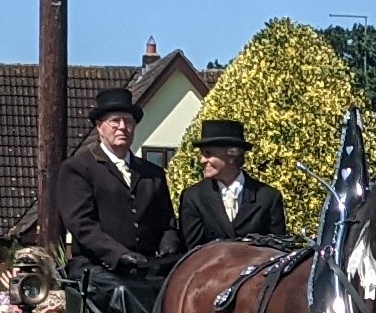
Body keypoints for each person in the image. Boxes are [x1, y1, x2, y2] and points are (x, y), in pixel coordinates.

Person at [56, 87, 180, 276]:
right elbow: (82, 224)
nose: (122, 127)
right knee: (123, 295)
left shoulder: (152, 173)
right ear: (99, 127)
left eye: (128, 121)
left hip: (147, 267)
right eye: (115, 121)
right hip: (97, 267)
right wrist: (119, 255)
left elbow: (167, 223)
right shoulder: (79, 168)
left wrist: (168, 246)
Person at [178, 119, 286, 249]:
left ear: (232, 155)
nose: (202, 160)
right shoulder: (194, 197)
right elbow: (192, 253)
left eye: (208, 154)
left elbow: (276, 252)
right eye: (202, 154)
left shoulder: (268, 198)